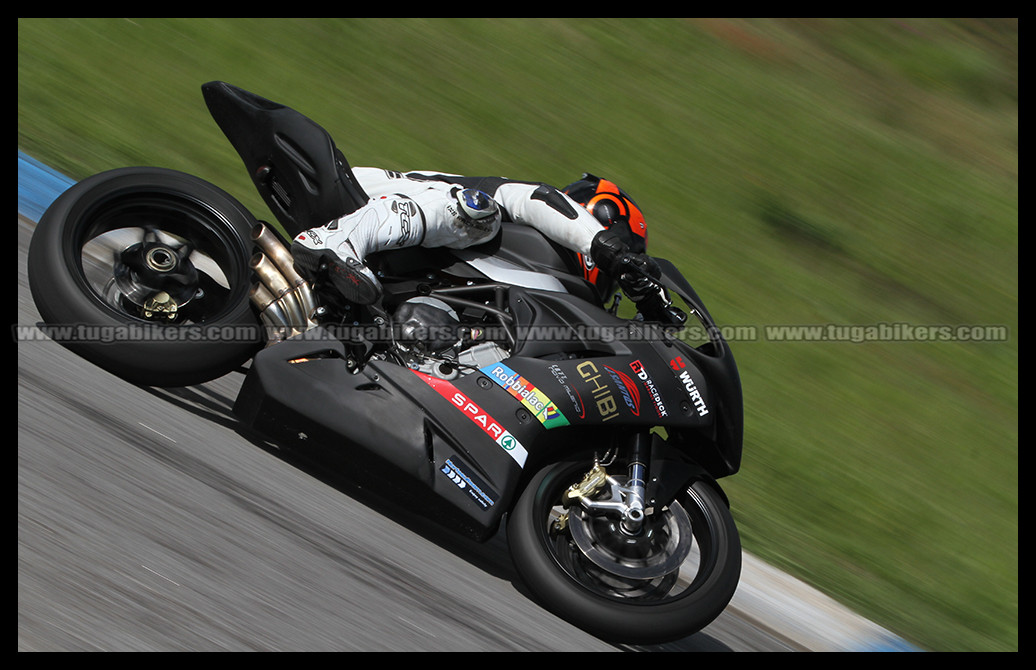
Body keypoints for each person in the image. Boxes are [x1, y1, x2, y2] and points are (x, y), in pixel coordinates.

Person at [290, 168, 675, 319]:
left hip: (399, 264)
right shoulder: (525, 210)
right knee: (478, 212)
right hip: (371, 197)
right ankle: (335, 242)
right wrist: (609, 249)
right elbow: (535, 199)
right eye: (629, 249)